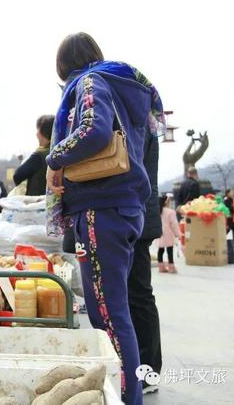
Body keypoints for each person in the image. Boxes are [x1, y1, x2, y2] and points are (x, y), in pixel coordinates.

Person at [46, 32, 166, 405]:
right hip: (120, 207)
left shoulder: (89, 82)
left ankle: (126, 397)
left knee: (110, 314)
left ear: (65, 65)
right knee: (114, 308)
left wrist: (55, 158)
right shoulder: (120, 87)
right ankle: (123, 392)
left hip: (102, 208)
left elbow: (93, 131)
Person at [128, 125, 164, 396]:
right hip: (139, 217)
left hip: (137, 219)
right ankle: (141, 367)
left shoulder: (140, 125)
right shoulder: (143, 122)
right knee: (136, 295)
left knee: (139, 294)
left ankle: (149, 370)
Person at [13, 115, 55, 196]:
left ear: (44, 133)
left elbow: (17, 176)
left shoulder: (39, 156)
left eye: (38, 130)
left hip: (39, 203)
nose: (37, 134)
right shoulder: (62, 151)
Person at [156, 194, 181, 274]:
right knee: (169, 250)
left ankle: (161, 267)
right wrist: (178, 234)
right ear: (167, 202)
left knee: (160, 250)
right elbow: (174, 224)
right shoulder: (171, 212)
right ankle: (171, 267)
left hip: (159, 233)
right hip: (168, 234)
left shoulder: (157, 211)